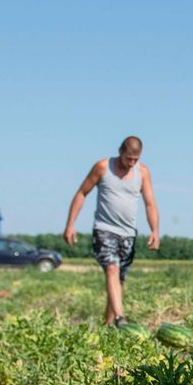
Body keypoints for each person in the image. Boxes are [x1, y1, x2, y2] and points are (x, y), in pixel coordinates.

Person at [64, 136, 160, 326]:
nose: (131, 163)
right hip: (104, 229)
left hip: (129, 233)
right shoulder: (102, 167)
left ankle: (108, 326)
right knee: (111, 268)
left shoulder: (142, 172)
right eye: (128, 158)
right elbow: (81, 193)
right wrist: (70, 224)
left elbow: (150, 204)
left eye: (136, 159)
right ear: (120, 152)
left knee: (119, 280)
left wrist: (155, 231)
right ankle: (120, 318)